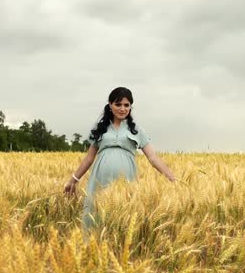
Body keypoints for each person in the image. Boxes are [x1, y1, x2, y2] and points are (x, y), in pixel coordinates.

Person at [64, 86, 175, 235]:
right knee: (97, 215)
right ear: (110, 105)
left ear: (130, 107)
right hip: (100, 180)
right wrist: (73, 180)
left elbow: (153, 158)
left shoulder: (136, 130)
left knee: (124, 218)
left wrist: (172, 178)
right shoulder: (101, 129)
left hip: (126, 182)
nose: (122, 108)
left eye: (126, 105)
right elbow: (89, 158)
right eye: (118, 104)